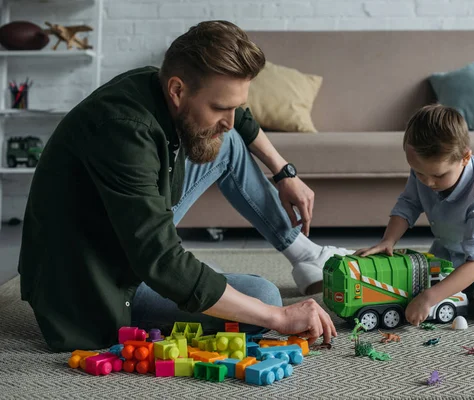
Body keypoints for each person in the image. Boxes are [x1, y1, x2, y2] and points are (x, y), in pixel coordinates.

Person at [17, 20, 352, 352]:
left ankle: (303, 254)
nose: (231, 117)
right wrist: (277, 318)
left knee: (228, 139)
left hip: (117, 236)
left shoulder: (158, 83)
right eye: (221, 107)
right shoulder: (124, 132)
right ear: (177, 90)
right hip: (94, 284)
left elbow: (241, 123)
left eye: (234, 105)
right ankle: (198, 285)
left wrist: (284, 172)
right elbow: (160, 260)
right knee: (263, 298)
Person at [355, 104, 474, 326]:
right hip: (450, 247)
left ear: (465, 157)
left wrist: (429, 299)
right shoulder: (425, 173)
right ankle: (464, 284)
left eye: (438, 175)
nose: (428, 182)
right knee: (413, 288)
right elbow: (408, 204)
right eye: (419, 173)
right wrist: (389, 239)